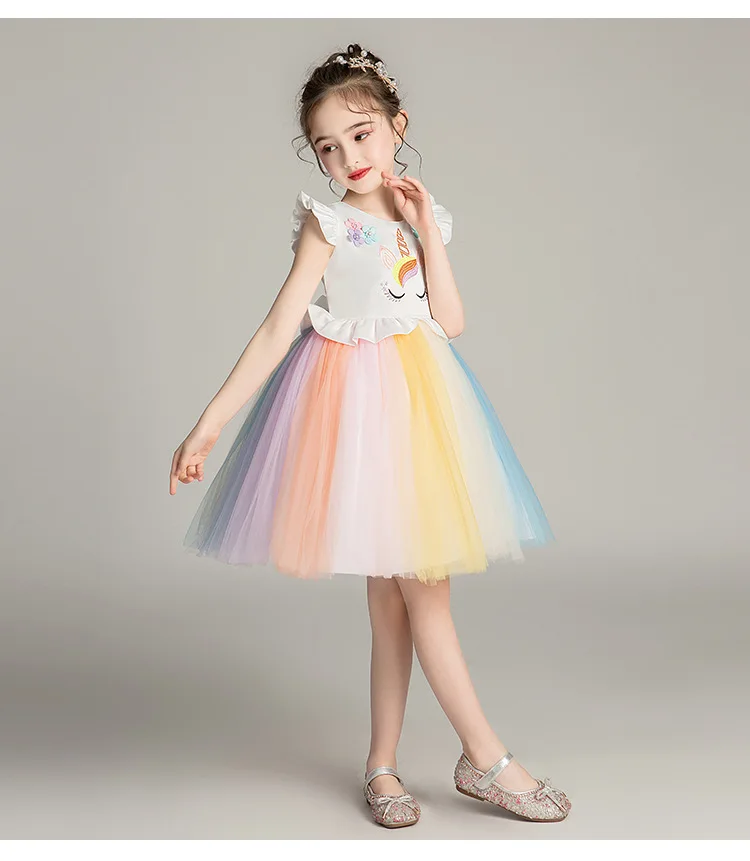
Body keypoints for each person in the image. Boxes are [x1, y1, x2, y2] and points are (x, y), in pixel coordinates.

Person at [170, 43, 570, 828]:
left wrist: (427, 232)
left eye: (361, 134)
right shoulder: (329, 224)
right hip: (350, 416)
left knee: (414, 593)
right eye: (327, 147)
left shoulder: (425, 218)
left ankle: (444, 758)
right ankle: (446, 760)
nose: (348, 157)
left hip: (420, 417)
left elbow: (450, 321)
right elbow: (279, 327)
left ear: (396, 126)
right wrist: (208, 426)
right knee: (392, 600)